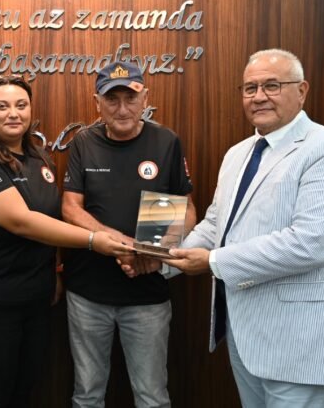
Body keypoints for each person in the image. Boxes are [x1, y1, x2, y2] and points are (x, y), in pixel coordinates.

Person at [165, 49, 324, 407]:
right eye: (250, 88)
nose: (258, 97)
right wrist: (160, 259)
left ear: (301, 90)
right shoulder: (237, 154)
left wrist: (212, 262)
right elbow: (216, 224)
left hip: (303, 342)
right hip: (246, 336)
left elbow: (309, 244)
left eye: (272, 86)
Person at [0, 74, 132, 408]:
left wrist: (55, 270)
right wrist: (95, 240)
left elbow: (51, 217)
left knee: (25, 387)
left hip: (35, 296)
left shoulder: (39, 158)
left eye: (21, 105)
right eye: (2, 106)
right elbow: (22, 222)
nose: (13, 113)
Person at [61, 61, 196, 408]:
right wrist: (121, 244)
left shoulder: (166, 141)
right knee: (87, 395)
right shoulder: (83, 142)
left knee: (152, 397)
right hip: (88, 293)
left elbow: (186, 209)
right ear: (97, 103)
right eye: (112, 99)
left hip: (147, 294)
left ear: (145, 98)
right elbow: (71, 209)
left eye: (130, 98)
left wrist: (151, 254)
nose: (122, 109)